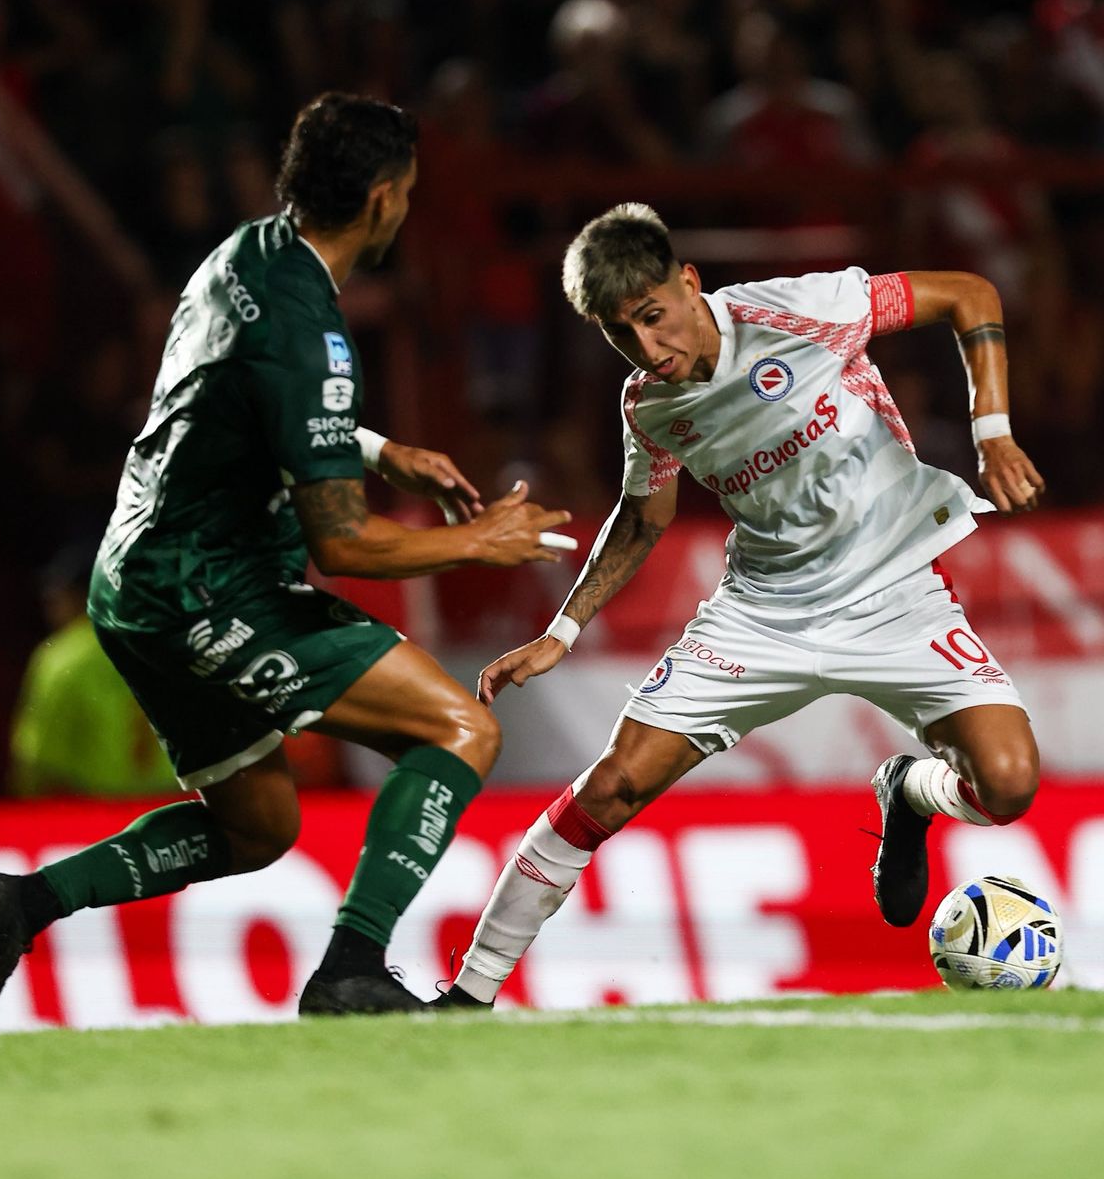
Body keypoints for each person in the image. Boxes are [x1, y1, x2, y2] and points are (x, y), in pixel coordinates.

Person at [0, 92, 571, 1030]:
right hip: (213, 586)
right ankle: (351, 969)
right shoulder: (311, 332)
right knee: (459, 731)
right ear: (382, 201)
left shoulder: (241, 257)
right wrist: (482, 542)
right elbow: (343, 544)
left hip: (135, 584)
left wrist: (371, 447)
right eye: (404, 192)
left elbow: (240, 395)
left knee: (258, 825)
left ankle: (18, 905)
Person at [439, 202, 1044, 1009]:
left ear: (689, 283)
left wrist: (993, 432)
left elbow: (969, 293)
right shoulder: (648, 405)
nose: (649, 348)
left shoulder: (798, 310)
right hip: (765, 615)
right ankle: (467, 996)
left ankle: (907, 790)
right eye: (622, 334)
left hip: (896, 595)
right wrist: (563, 629)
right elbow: (643, 515)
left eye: (655, 317)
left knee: (1006, 786)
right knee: (611, 787)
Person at [9, 544, 177, 798]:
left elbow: (36, 763)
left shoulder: (63, 656)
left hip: (93, 818)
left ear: (82, 593)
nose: (49, 602)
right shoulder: (177, 644)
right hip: (178, 812)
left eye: (56, 591)